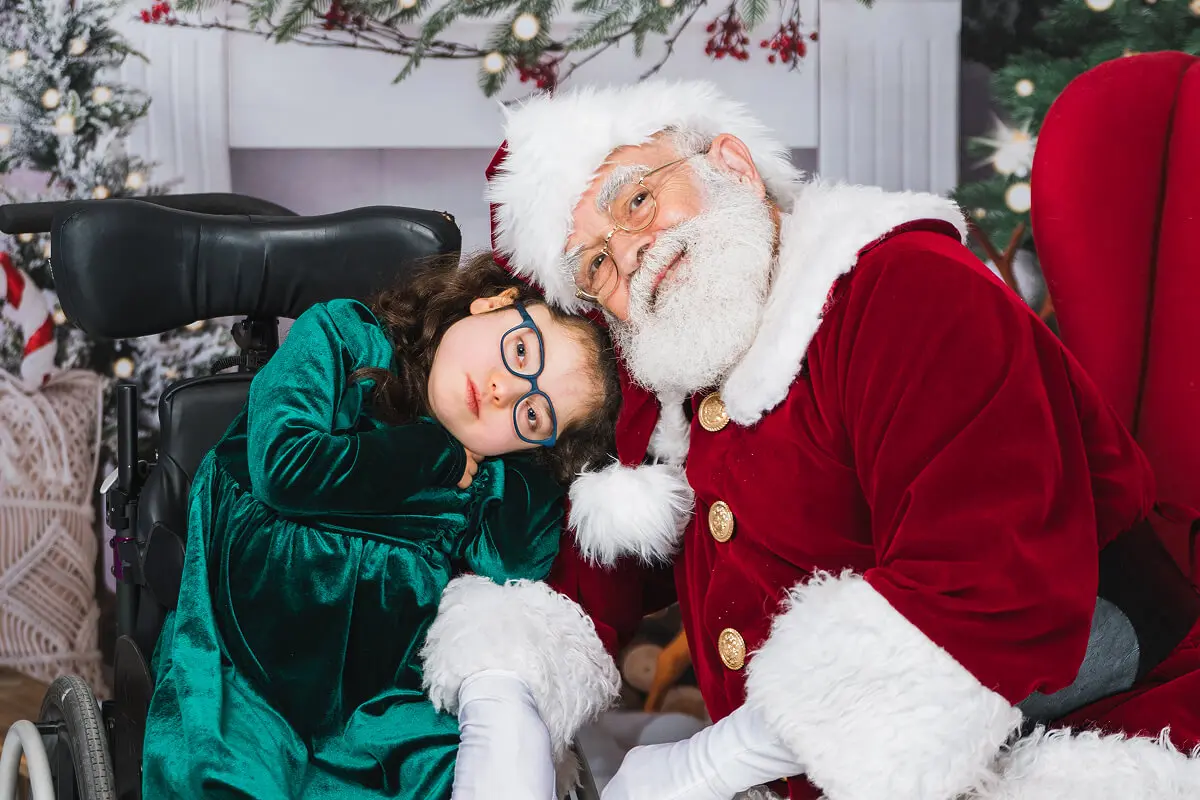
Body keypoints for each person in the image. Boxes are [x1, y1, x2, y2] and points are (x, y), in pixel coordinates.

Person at [419, 79, 1200, 800]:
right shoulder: (688, 370)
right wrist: (504, 698)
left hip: (1091, 733)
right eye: (595, 264)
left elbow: (986, 591)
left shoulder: (907, 289)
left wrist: (709, 763)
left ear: (732, 164)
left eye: (638, 201)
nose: (631, 253)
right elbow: (598, 567)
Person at [141, 253, 622, 800]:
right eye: (519, 352)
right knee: (226, 778)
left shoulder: (481, 472)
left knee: (459, 767)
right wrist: (430, 454)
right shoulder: (345, 339)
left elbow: (515, 561)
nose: (501, 391)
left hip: (376, 700)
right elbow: (282, 468)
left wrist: (535, 465)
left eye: (532, 414)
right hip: (247, 670)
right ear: (495, 303)